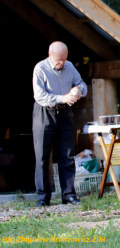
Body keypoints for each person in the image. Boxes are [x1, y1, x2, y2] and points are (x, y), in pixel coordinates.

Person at [32, 41, 87, 207]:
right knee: (42, 156)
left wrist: (78, 90)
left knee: (67, 155)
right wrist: (62, 97)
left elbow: (82, 84)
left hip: (65, 113)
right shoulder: (40, 68)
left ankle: (69, 195)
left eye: (64, 58)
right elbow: (39, 96)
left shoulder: (70, 66)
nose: (61, 62)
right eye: (58, 59)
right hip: (44, 112)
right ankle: (43, 198)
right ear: (50, 55)